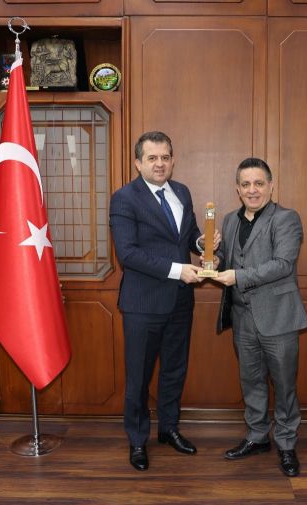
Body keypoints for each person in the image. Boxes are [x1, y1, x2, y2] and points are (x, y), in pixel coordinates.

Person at [110, 131, 218, 472]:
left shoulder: (181, 192)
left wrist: (204, 245)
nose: (160, 164)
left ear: (173, 160)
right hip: (143, 305)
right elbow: (128, 254)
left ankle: (169, 429)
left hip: (180, 302)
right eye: (152, 158)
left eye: (165, 157)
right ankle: (137, 440)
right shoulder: (124, 198)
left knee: (174, 370)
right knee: (139, 377)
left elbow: (188, 236)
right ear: (138, 162)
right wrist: (177, 270)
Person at [212, 157, 307, 477]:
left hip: (278, 317)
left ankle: (286, 443)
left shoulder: (286, 219)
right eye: (245, 184)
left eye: (258, 183)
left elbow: (283, 264)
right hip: (242, 318)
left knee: (284, 384)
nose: (252, 190)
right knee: (251, 381)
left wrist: (237, 276)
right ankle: (257, 437)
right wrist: (211, 257)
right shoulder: (229, 220)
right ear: (237, 189)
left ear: (270, 185)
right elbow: (224, 258)